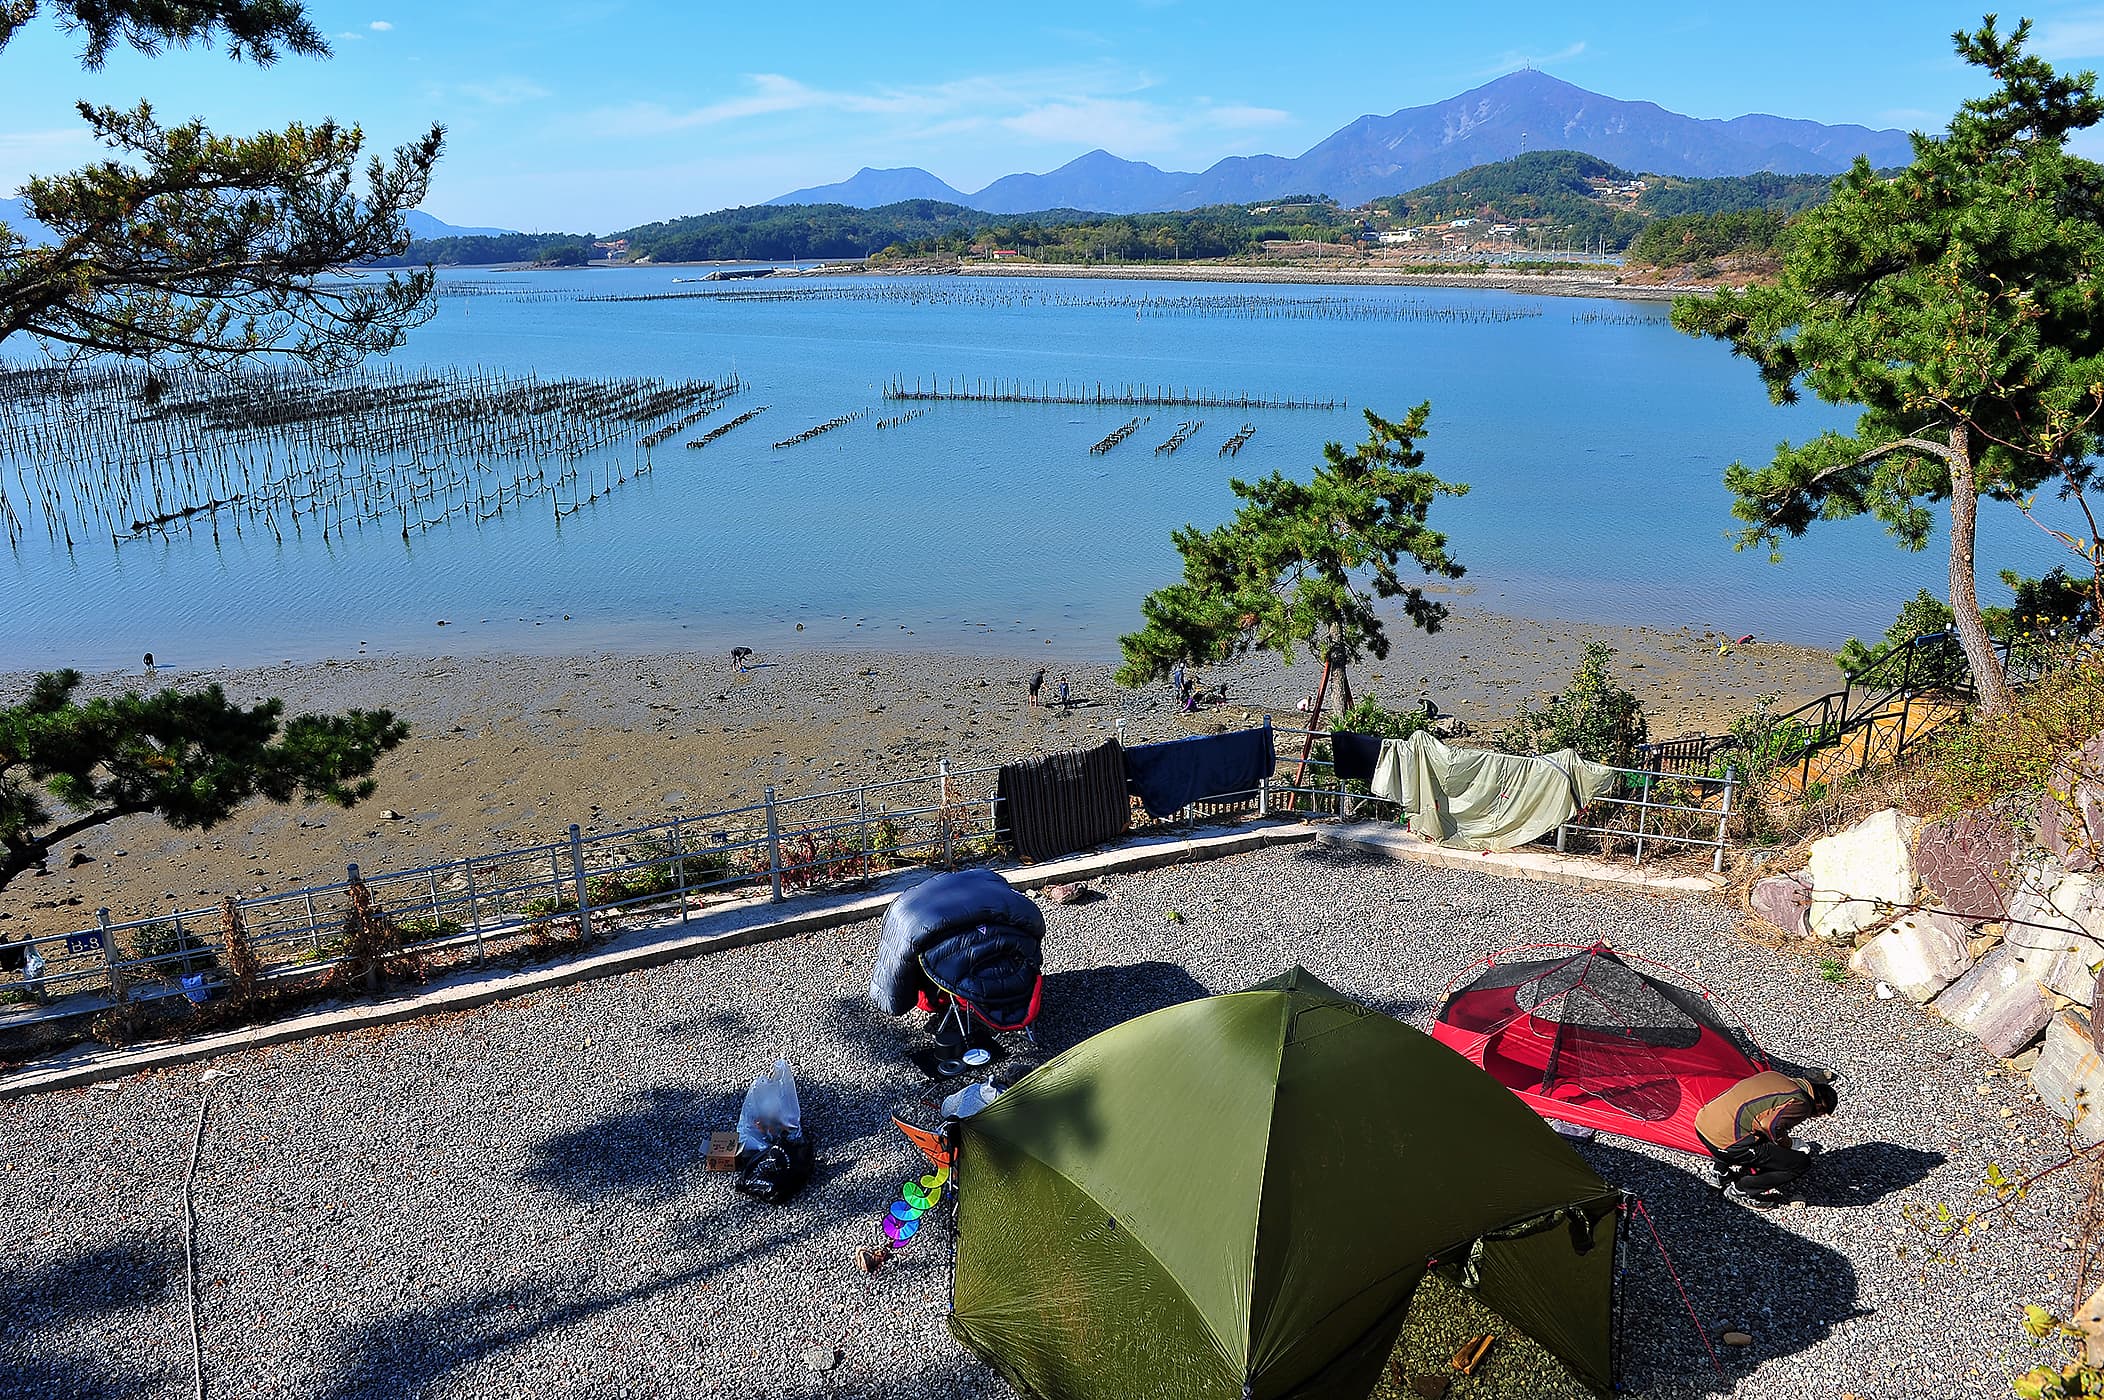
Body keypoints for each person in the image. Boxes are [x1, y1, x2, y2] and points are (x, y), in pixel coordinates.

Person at [1693, 1070, 1839, 1204]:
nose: (1814, 1117)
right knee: (1800, 1164)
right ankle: (1741, 1190)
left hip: (1703, 1125)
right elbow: (1770, 1126)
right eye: (1820, 1114)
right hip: (1725, 1144)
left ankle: (1720, 1173)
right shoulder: (1802, 1103)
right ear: (1820, 1105)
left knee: (1742, 1124)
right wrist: (1790, 1144)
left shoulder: (1775, 1076)